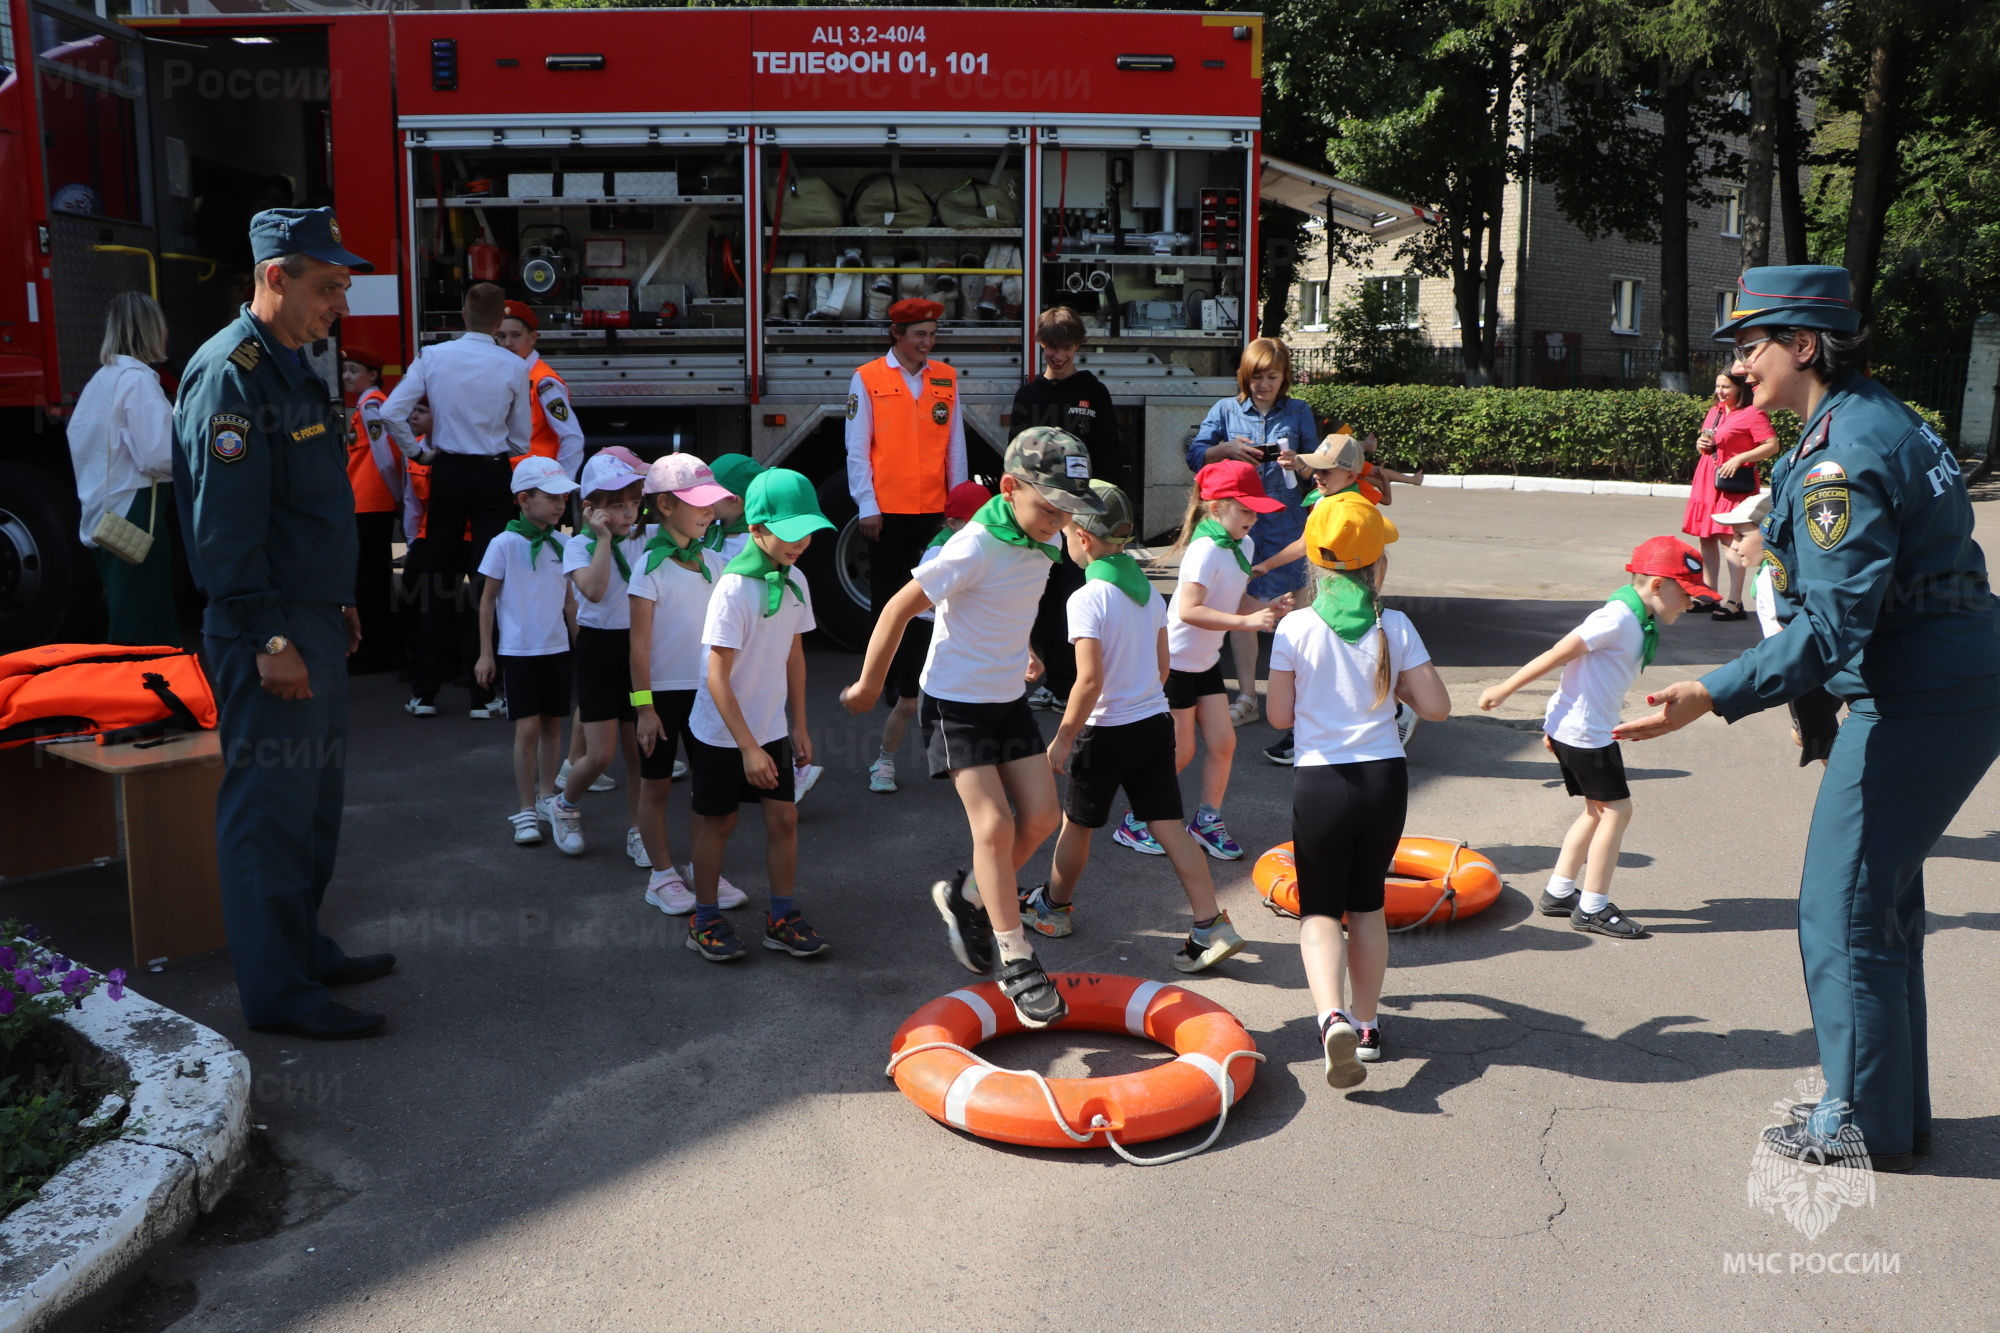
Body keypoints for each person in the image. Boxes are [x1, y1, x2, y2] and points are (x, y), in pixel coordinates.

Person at [1619, 264, 2000, 1173]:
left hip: (1918, 699)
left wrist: (1712, 693)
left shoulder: (1842, 454)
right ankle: (1892, 1115)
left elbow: (1834, 622)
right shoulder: (1865, 419)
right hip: (1933, 686)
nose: (1741, 367)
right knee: (1881, 909)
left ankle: (1859, 1124)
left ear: (1803, 344)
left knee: (1842, 913)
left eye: (1751, 346)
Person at [171, 206, 391, 1040]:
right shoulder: (231, 375)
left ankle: (304, 951)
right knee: (269, 812)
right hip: (268, 630)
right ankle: (279, 994)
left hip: (310, 620)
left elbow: (304, 508)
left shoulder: (292, 363)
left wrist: (335, 599)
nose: (340, 302)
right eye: (327, 286)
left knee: (312, 807)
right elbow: (223, 530)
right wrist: (268, 638)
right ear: (275, 277)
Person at [840, 428, 1106, 1029]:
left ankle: (967, 899)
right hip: (955, 702)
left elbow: (1008, 605)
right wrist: (867, 685)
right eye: (1049, 506)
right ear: (1011, 489)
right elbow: (898, 607)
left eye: (1069, 508)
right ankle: (1016, 955)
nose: (1059, 519)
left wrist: (1029, 649)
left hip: (1006, 696)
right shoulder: (975, 545)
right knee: (994, 823)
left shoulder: (1042, 541)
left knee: (1041, 818)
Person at [1024, 479, 1248, 973]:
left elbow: (1088, 682)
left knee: (1077, 825)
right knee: (1169, 826)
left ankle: (1053, 909)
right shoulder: (1148, 592)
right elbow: (1164, 666)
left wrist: (1062, 738)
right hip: (1153, 723)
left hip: (1105, 731)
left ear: (1082, 538)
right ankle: (1211, 924)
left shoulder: (1087, 598)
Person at [1266, 492, 1450, 1084]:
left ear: (1315, 564)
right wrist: (1393, 687)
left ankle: (1331, 1019)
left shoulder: (1295, 626)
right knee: (1366, 905)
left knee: (1319, 910)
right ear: (1377, 566)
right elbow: (1439, 708)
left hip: (1319, 781)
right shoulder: (1394, 625)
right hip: (1383, 780)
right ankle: (1368, 1027)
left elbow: (1277, 717)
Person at [1476, 536, 1707, 939]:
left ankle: (1560, 891)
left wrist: (1554, 726)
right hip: (1586, 734)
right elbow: (1558, 654)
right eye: (1686, 593)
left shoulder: (1636, 619)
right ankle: (1593, 907)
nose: (1690, 604)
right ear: (1656, 585)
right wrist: (1504, 689)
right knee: (1617, 812)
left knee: (1596, 811)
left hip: (1579, 729)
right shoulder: (1616, 617)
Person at [683, 468, 834, 962]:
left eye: (808, 530)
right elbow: (715, 677)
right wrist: (747, 746)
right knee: (719, 824)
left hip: (769, 727)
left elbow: (794, 655)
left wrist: (799, 723)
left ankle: (781, 918)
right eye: (790, 532)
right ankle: (703, 918)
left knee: (784, 820)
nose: (802, 542)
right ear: (756, 530)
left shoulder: (797, 581)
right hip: (721, 732)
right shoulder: (733, 590)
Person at [382, 281, 532, 717]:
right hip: (491, 474)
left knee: (435, 581)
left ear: (463, 315)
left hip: (446, 471)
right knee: (488, 583)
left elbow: (392, 412)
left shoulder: (434, 356)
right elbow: (520, 438)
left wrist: (419, 452)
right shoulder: (513, 365)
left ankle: (424, 692)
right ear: (498, 320)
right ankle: (485, 697)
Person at [1139, 460, 1289, 862]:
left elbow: (1234, 597)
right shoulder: (1205, 549)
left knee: (1224, 743)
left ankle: (1206, 822)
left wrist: (1269, 607)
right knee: (1181, 751)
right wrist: (1245, 622)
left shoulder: (1244, 545)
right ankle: (1136, 820)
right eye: (1245, 510)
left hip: (1205, 662)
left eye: (1256, 509)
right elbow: (1188, 610)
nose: (1253, 518)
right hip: (1176, 664)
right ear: (1215, 508)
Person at [628, 454, 743, 913]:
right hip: (658, 697)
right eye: (698, 503)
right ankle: (661, 877)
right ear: (665, 505)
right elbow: (637, 648)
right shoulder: (648, 568)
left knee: (707, 790)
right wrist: (644, 709)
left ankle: (702, 868)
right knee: (655, 787)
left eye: (711, 502)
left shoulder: (715, 563)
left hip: (705, 694)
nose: (708, 511)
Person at [1186, 337, 1317, 727]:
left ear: (1284, 378)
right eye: (1256, 377)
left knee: (1295, 611)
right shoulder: (1226, 409)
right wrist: (1225, 449)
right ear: (1245, 376)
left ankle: (1299, 695)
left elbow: (1316, 473)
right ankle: (1247, 696)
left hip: (1284, 518)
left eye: (1272, 377)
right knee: (1239, 605)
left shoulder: (1298, 411)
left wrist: (1299, 463)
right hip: (1237, 521)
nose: (1263, 385)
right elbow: (1195, 455)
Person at [1012, 305, 1126, 712]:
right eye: (1050, 347)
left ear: (1078, 346)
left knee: (1075, 599)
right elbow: (1015, 459)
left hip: (1078, 518)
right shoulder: (1028, 394)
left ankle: (1078, 683)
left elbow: (1110, 458)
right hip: (1038, 516)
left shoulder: (1093, 392)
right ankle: (1055, 682)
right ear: (1040, 344)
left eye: (1066, 347)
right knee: (1040, 597)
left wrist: (1102, 515)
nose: (1057, 355)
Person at [845, 297, 969, 649]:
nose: (927, 342)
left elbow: (954, 446)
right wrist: (866, 504)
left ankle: (921, 679)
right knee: (887, 599)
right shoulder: (867, 378)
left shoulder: (945, 377)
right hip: (887, 512)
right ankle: (888, 681)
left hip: (934, 510)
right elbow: (857, 448)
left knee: (931, 599)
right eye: (919, 334)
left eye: (932, 334)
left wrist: (958, 507)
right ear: (896, 333)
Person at [547, 452, 651, 859]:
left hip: (638, 649)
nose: (628, 514)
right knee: (601, 754)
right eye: (617, 506)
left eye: (633, 504)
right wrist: (605, 539)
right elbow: (592, 590)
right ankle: (564, 804)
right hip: (597, 649)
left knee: (640, 753)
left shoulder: (645, 537)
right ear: (590, 509)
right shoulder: (577, 546)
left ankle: (640, 832)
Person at [474, 455, 579, 846]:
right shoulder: (504, 543)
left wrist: (578, 642)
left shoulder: (565, 543)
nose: (558, 504)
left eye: (563, 498)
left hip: (555, 650)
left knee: (554, 725)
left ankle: (548, 797)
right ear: (523, 499)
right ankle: (525, 809)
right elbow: (487, 601)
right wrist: (486, 653)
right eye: (550, 497)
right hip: (518, 651)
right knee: (528, 728)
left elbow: (570, 602)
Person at [69, 291, 179, 647]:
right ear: (152, 330)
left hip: (104, 514)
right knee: (148, 624)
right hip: (137, 509)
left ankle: (126, 696)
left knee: (126, 618)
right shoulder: (139, 381)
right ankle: (153, 698)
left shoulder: (100, 380)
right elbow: (159, 455)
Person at [869, 479, 990, 794]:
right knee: (909, 703)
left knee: (971, 703)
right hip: (923, 629)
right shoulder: (941, 549)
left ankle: (980, 768)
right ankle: (883, 762)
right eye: (979, 520)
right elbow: (923, 602)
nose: (988, 526)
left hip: (957, 630)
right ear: (953, 523)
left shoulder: (987, 542)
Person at [1682, 370, 1781, 620]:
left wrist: (1740, 458)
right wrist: (1700, 444)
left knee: (1730, 540)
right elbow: (1708, 438)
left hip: (1733, 482)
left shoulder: (1753, 413)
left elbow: (1772, 445)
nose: (1720, 392)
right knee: (1707, 538)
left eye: (1725, 387)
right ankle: (1708, 595)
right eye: (1717, 386)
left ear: (1739, 388)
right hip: (1708, 478)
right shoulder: (1715, 411)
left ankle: (1735, 602)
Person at [341, 348, 401, 673]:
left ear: (373, 374)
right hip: (366, 505)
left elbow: (383, 457)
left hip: (372, 505)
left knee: (369, 582)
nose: (347, 376)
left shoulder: (371, 404)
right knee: (370, 579)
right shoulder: (367, 404)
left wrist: (397, 496)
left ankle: (372, 653)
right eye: (346, 370)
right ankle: (376, 651)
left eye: (353, 370)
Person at [495, 300, 585, 481]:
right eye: (501, 336)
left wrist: (560, 485)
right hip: (509, 481)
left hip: (536, 486)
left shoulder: (544, 382)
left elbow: (572, 438)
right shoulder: (502, 374)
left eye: (516, 335)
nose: (508, 343)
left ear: (533, 338)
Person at [705, 452, 766, 563]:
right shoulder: (710, 526)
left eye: (712, 492)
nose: (703, 496)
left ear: (734, 500)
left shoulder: (750, 546)